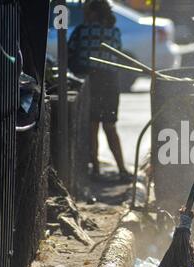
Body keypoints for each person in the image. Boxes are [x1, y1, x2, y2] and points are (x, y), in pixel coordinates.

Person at [68, 0, 131, 182]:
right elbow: (117, 56)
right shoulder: (115, 32)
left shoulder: (81, 31)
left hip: (91, 82)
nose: (85, 14)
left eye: (87, 11)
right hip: (110, 83)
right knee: (110, 127)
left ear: (94, 12)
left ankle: (95, 169)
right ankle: (122, 170)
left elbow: (70, 54)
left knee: (92, 126)